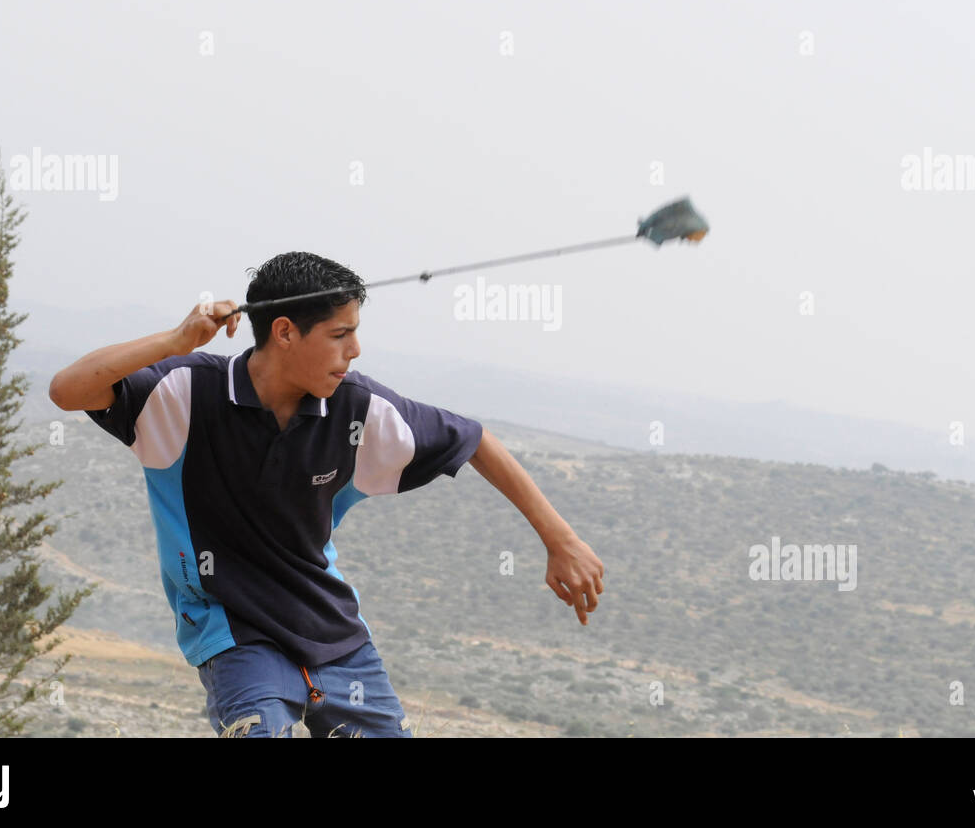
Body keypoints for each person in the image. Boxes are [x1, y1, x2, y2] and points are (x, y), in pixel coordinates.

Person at [48, 252, 604, 737]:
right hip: (234, 635)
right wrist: (175, 341)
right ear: (285, 331)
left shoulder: (359, 410)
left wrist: (561, 539)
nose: (355, 350)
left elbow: (476, 440)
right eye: (340, 334)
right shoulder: (184, 393)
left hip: (332, 631)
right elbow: (69, 390)